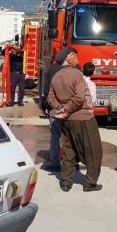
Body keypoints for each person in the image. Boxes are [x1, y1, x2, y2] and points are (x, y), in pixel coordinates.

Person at [47, 48, 103, 193]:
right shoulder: (77, 74)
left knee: (68, 150)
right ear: (69, 57)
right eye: (75, 54)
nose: (77, 57)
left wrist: (61, 108)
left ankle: (66, 182)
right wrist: (68, 109)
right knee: (94, 150)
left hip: (65, 120)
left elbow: (50, 99)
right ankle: (90, 183)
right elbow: (80, 98)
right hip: (83, 118)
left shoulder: (56, 76)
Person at [41, 49, 69, 173]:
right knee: (69, 136)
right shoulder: (75, 70)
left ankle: (55, 162)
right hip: (70, 109)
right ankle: (71, 162)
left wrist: (45, 105)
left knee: (55, 135)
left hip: (55, 107)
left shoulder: (53, 69)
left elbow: (46, 88)